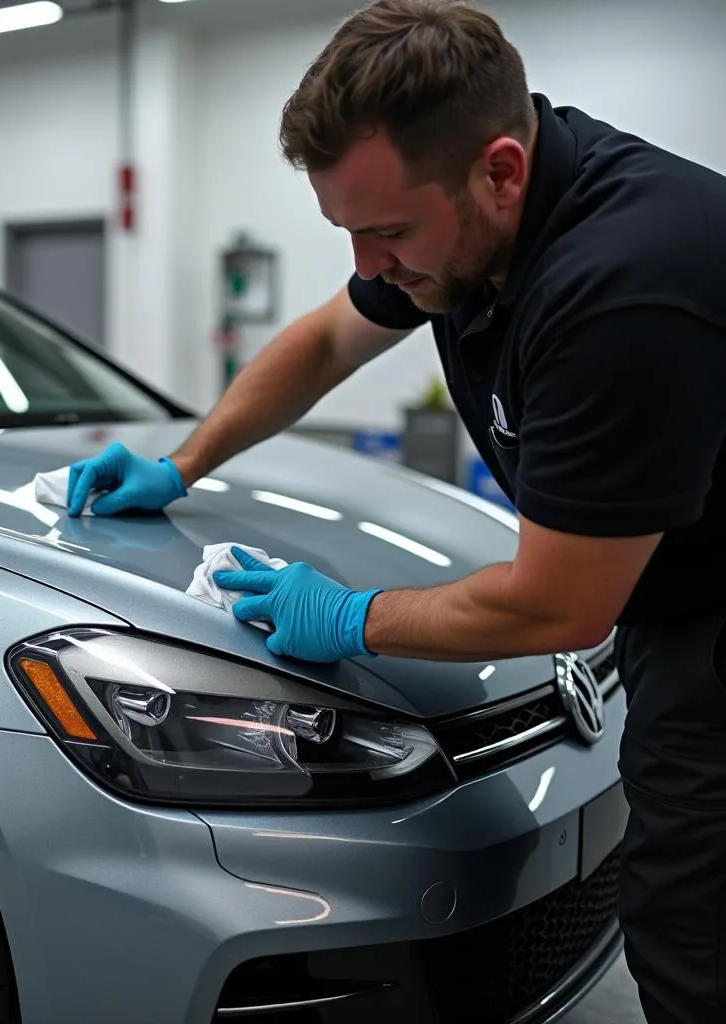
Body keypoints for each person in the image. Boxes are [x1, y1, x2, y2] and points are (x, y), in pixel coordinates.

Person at [65, 1, 726, 1019]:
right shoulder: (471, 220)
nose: (371, 266)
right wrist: (181, 462)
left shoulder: (619, 287)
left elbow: (557, 607)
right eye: (349, 233)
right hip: (669, 592)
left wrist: (350, 617)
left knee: (693, 933)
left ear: (500, 170)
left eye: (387, 232)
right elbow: (328, 339)